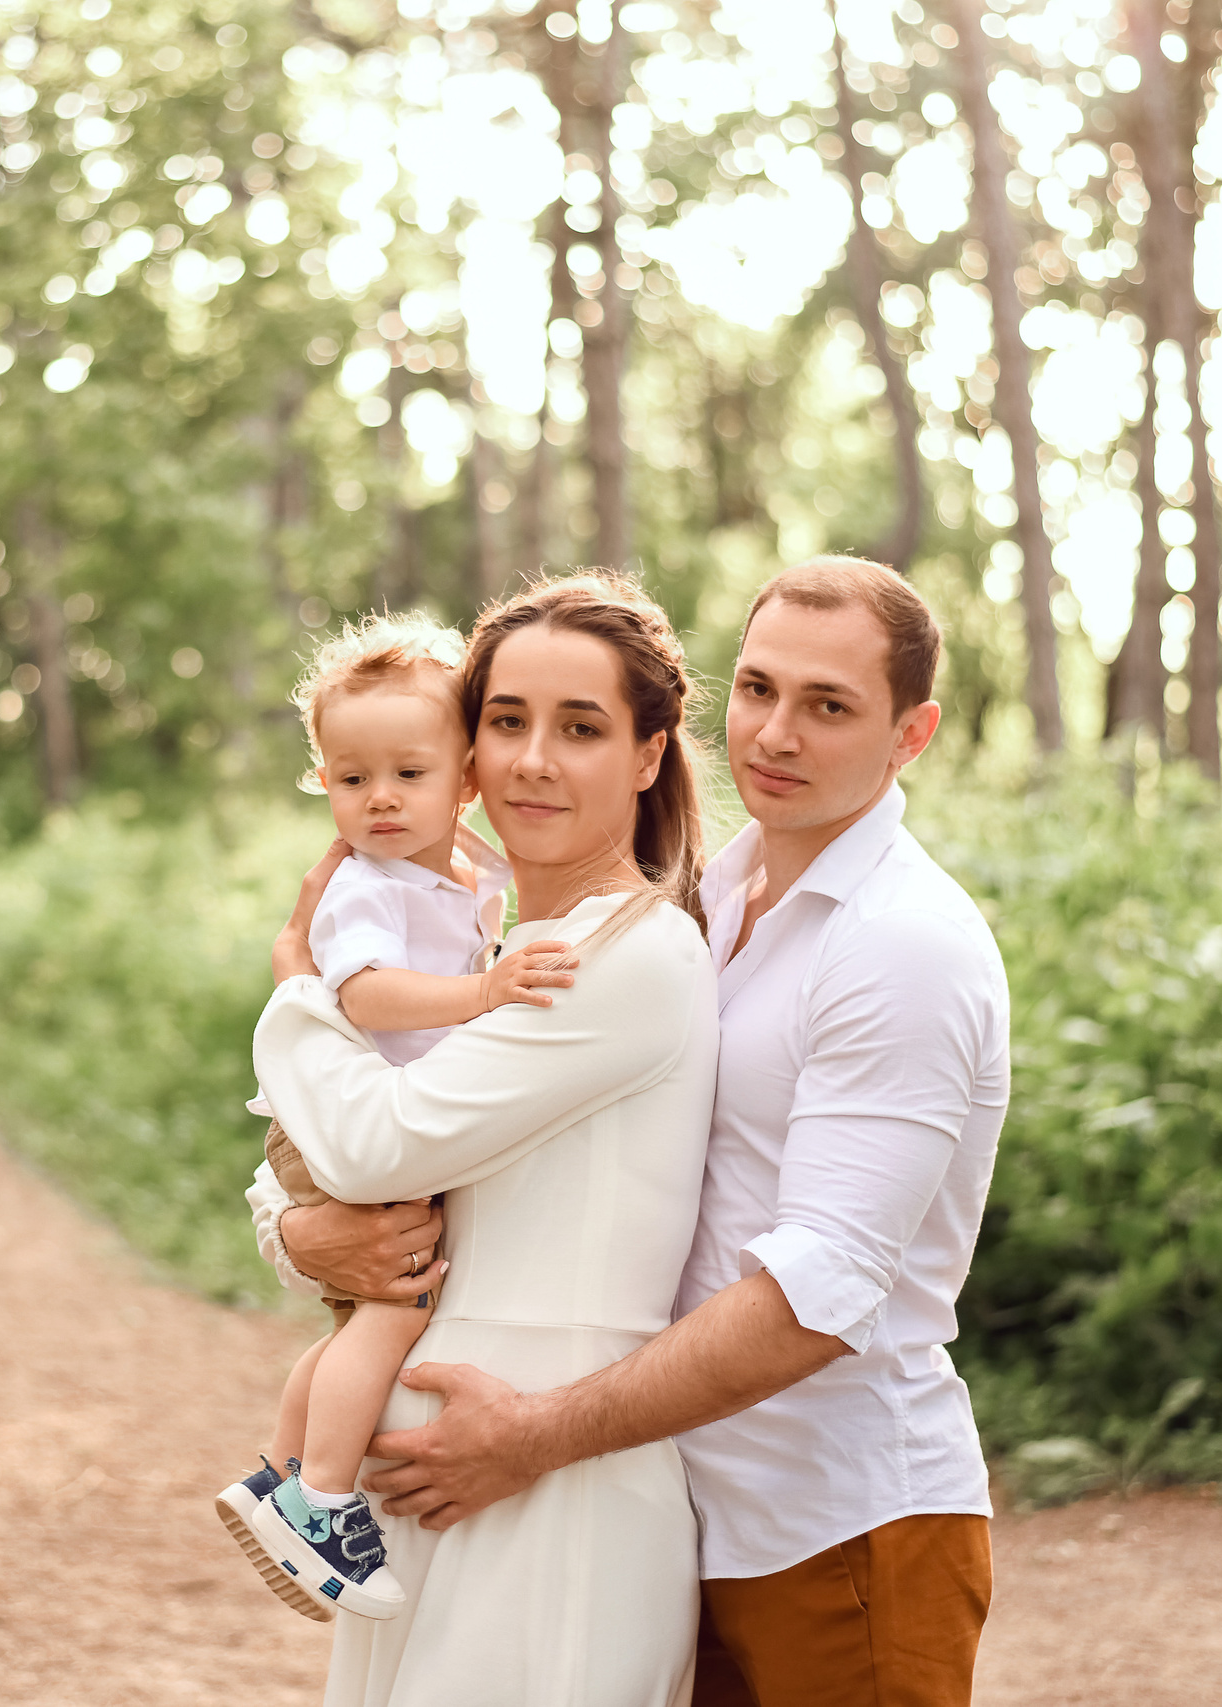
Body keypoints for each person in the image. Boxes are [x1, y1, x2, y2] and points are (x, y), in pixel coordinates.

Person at [275, 558, 1011, 1707]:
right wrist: (298, 1236)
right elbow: (457, 1168)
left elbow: (821, 1289)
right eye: (757, 689)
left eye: (827, 705)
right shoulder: (712, 906)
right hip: (671, 1485)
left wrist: (296, 988)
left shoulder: (892, 943)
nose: (775, 733)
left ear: (909, 734)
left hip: (826, 1508)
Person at [245, 573, 719, 1706]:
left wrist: (299, 988)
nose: (532, 761)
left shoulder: (621, 956)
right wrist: (294, 1233)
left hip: (550, 1472)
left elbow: (377, 1145)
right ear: (468, 751)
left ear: (648, 756)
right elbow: (348, 1173)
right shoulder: (500, 951)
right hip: (436, 1468)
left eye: (581, 728)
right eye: (506, 721)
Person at [216, 613, 575, 1622]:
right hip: (337, 1121)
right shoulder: (366, 888)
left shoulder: (450, 867)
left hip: (370, 1119)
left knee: (358, 1317)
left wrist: (478, 833)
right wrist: (485, 991)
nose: (379, 798)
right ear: (322, 782)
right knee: (395, 1309)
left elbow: (490, 874)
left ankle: (278, 1473)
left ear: (463, 780)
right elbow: (367, 994)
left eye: (409, 774)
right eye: (351, 777)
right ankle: (321, 1500)